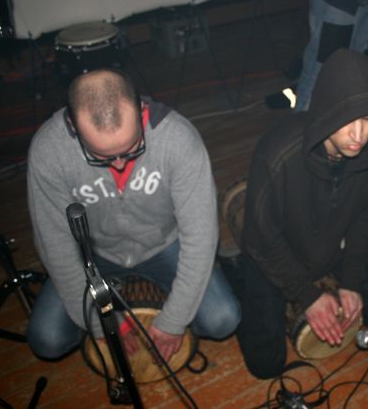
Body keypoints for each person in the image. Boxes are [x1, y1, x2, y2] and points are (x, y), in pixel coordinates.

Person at [26, 69, 240, 362]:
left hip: (164, 244)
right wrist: (102, 324)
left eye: (131, 149)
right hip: (92, 256)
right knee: (48, 339)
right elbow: (57, 247)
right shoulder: (49, 150)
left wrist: (174, 321)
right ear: (73, 127)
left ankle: (161, 297)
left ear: (141, 111)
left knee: (222, 318)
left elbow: (201, 238)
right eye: (101, 156)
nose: (118, 164)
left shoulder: (178, 139)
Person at [235, 49, 368, 379]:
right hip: (273, 251)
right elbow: (261, 239)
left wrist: (351, 280)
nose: (359, 136)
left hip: (330, 245)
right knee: (265, 365)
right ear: (326, 110)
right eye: (347, 119)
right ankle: (231, 270)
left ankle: (325, 279)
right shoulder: (278, 152)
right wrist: (307, 295)